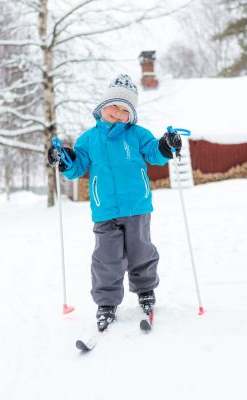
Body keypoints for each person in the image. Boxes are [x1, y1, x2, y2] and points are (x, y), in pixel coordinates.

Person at [47, 74, 182, 331]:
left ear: (131, 115)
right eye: (114, 106)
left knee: (141, 251)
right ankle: (106, 303)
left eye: (125, 110)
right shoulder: (88, 139)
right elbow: (76, 168)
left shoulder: (139, 135)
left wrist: (166, 145)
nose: (118, 113)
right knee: (106, 258)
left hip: (137, 206)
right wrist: (62, 158)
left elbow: (155, 154)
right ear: (103, 107)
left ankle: (145, 290)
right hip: (105, 208)